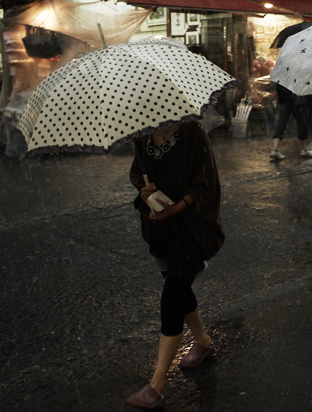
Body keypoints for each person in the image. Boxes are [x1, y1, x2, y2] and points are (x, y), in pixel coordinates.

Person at [126, 121, 224, 410]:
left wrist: (177, 207)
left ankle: (156, 385)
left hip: (192, 229)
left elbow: (206, 180)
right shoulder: (142, 135)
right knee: (178, 288)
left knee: (172, 295)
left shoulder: (191, 130)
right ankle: (204, 342)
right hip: (161, 232)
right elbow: (138, 175)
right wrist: (146, 194)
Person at [269, 83, 312, 160]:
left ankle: (274, 149)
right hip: (296, 99)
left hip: (284, 99)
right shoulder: (297, 71)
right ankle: (303, 149)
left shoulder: (282, 72)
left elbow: (279, 85)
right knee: (302, 123)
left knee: (281, 123)